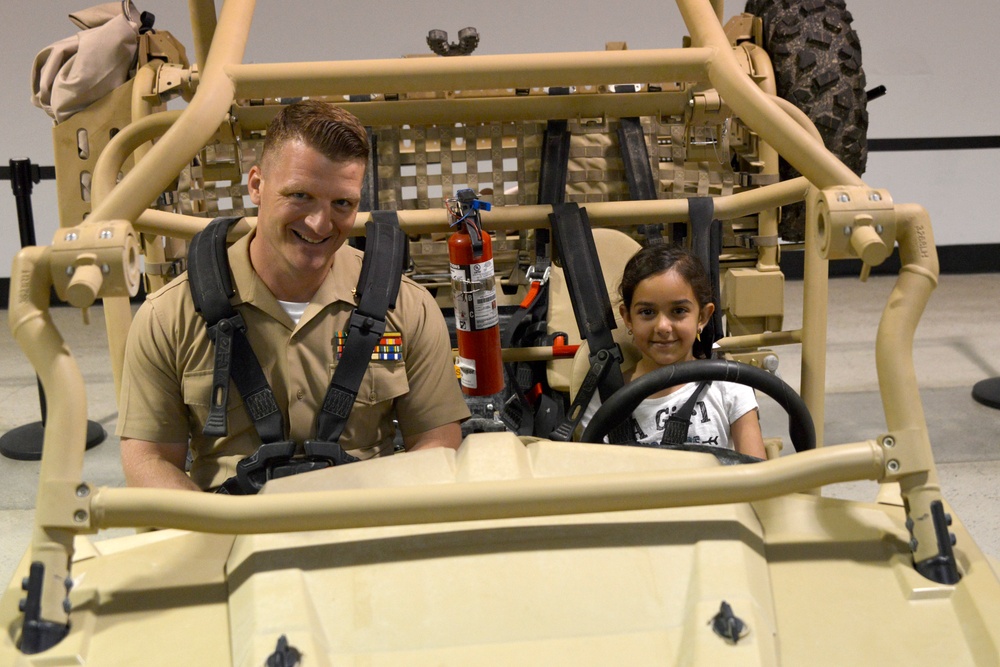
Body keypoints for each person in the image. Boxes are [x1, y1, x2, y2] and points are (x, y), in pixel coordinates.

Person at [117, 100, 470, 491]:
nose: (320, 224)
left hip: (368, 523)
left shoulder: (408, 307)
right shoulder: (170, 316)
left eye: (342, 204)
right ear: (256, 185)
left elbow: (437, 442)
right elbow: (148, 460)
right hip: (230, 530)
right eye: (300, 196)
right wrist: (216, 533)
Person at [579, 244, 766, 458]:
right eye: (647, 312)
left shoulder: (729, 386)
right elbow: (594, 479)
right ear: (628, 318)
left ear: (703, 317)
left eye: (678, 311)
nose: (663, 327)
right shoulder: (607, 399)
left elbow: (758, 476)